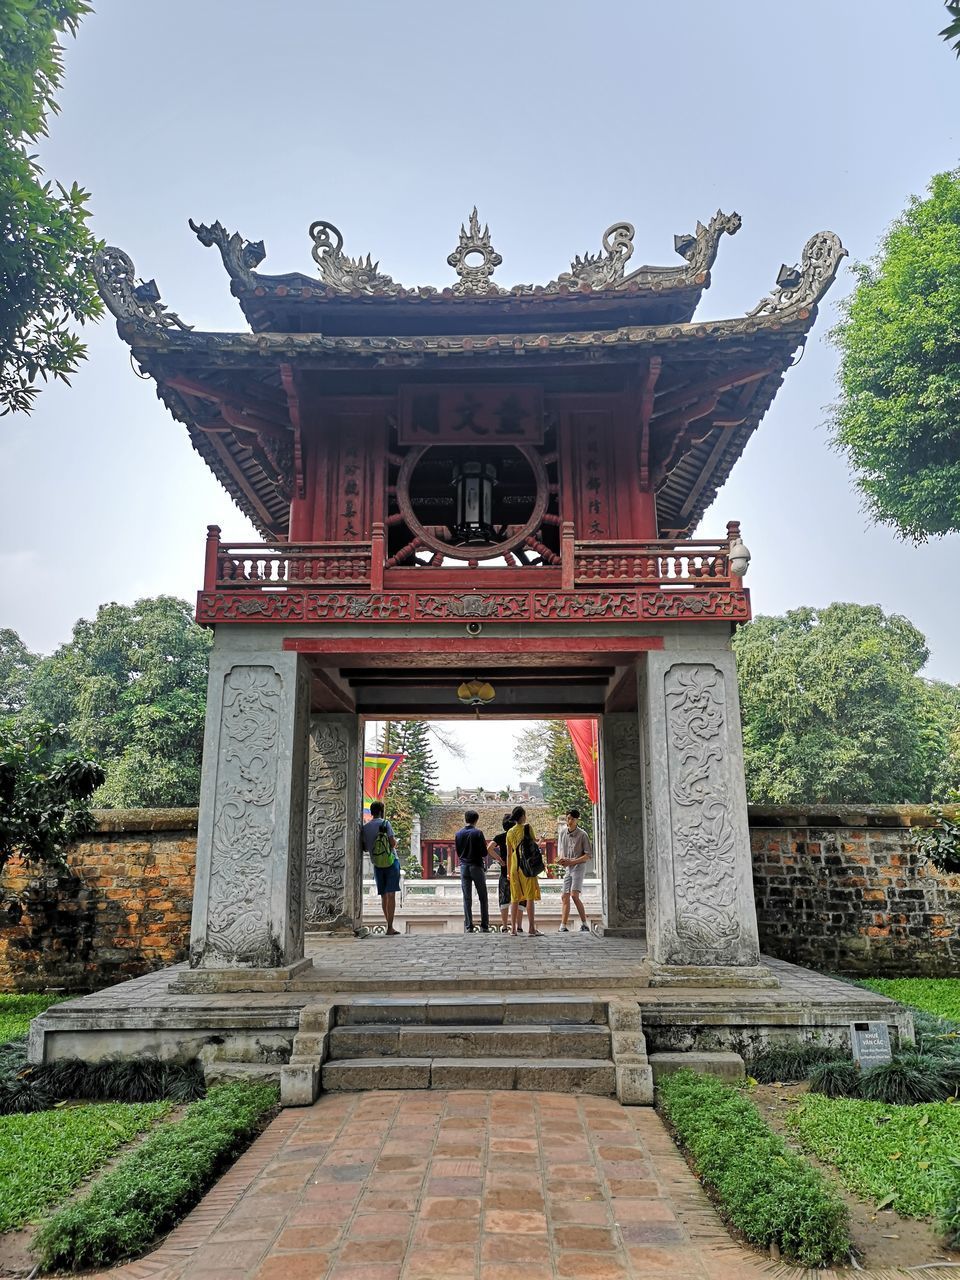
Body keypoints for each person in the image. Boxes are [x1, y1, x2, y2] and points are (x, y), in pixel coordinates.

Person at [362, 800, 400, 935]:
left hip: (377, 863)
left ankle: (387, 923)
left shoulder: (365, 828)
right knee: (391, 894)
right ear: (381, 811)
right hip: (390, 862)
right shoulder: (385, 824)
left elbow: (365, 847)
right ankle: (390, 926)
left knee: (383, 895)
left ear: (371, 812)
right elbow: (392, 843)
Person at [506, 804, 543, 936]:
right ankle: (531, 928)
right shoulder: (528, 828)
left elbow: (509, 854)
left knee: (514, 898)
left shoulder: (510, 832)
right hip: (527, 867)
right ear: (522, 816)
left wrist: (508, 871)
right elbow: (533, 846)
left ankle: (513, 929)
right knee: (529, 897)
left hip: (514, 867)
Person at [557, 807, 593, 933]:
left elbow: (588, 855)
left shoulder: (582, 835)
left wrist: (572, 861)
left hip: (578, 867)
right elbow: (561, 851)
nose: (569, 821)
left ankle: (584, 923)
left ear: (577, 820)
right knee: (564, 896)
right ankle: (563, 925)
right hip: (568, 868)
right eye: (568, 818)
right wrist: (561, 860)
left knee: (574, 895)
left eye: (572, 818)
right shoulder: (562, 833)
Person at [487, 813, 524, 933]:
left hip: (505, 871)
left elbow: (489, 848)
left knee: (504, 899)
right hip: (519, 870)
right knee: (520, 898)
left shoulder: (500, 837)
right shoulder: (519, 836)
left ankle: (504, 926)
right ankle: (518, 926)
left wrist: (499, 859)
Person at [455, 809, 490, 932]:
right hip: (476, 866)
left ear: (465, 819)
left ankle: (469, 926)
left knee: (467, 897)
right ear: (476, 820)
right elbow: (484, 852)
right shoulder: (478, 833)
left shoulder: (458, 834)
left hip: (464, 867)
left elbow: (458, 852)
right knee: (483, 896)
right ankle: (484, 925)